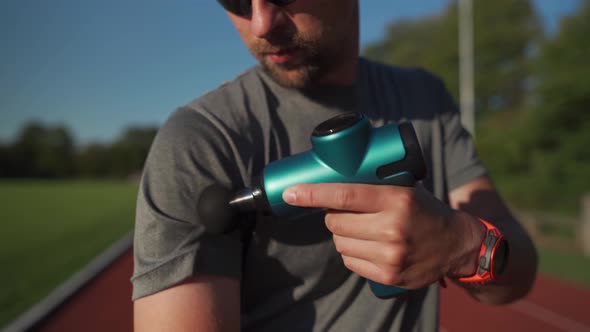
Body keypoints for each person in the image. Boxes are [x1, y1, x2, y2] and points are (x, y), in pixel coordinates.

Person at [132, 0, 538, 331]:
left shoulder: (425, 100)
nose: (260, 23)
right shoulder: (200, 141)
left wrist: (463, 246)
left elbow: (517, 276)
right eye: (235, 1)